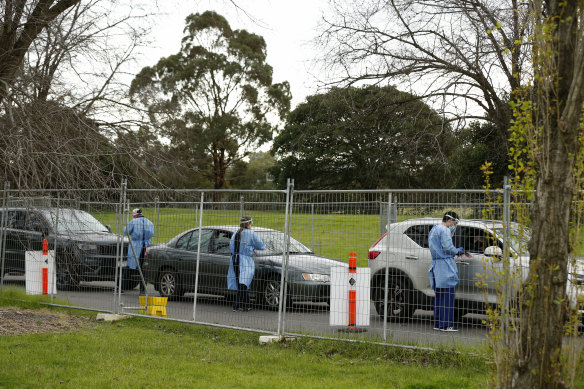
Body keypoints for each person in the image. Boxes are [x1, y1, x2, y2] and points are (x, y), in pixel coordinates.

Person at [428, 211, 464, 332]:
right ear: (449, 220)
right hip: (446, 266)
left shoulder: (434, 229)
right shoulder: (444, 230)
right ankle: (447, 325)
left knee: (439, 297)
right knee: (448, 297)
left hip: (437, 266)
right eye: (454, 222)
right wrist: (457, 251)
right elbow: (448, 247)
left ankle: (438, 323)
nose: (453, 225)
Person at [228, 216, 266, 312]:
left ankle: (245, 304)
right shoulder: (250, 233)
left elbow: (231, 246)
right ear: (249, 224)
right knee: (244, 283)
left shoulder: (236, 233)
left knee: (241, 283)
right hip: (245, 261)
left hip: (235, 260)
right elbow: (260, 245)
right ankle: (237, 305)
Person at [122, 208, 154, 295]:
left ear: (135, 215)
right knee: (143, 267)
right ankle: (142, 290)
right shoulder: (149, 222)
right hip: (147, 245)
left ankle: (121, 288)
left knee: (130, 266)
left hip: (136, 245)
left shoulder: (133, 221)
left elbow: (126, 232)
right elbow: (152, 233)